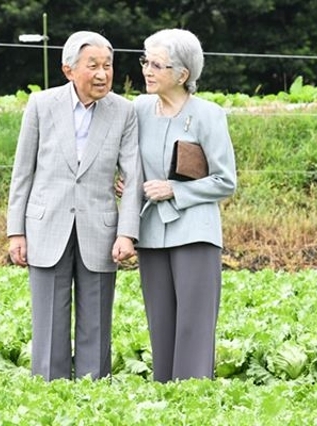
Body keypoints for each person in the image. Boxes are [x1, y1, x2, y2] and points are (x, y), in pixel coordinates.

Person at [6, 31, 142, 381]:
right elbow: (23, 172)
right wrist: (15, 231)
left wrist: (127, 233)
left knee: (96, 319)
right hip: (45, 224)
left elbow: (134, 176)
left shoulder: (124, 112)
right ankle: (51, 391)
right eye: (93, 66)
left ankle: (92, 392)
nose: (102, 74)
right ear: (69, 70)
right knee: (48, 319)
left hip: (100, 227)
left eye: (108, 66)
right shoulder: (41, 104)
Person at [134, 28, 237, 382]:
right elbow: (130, 161)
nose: (147, 70)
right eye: (146, 61)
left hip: (195, 232)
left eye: (157, 64)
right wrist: (126, 183)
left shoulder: (209, 115)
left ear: (182, 74)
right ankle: (165, 399)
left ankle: (192, 400)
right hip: (151, 233)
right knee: (160, 323)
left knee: (194, 325)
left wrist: (175, 190)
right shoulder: (139, 110)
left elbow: (226, 181)